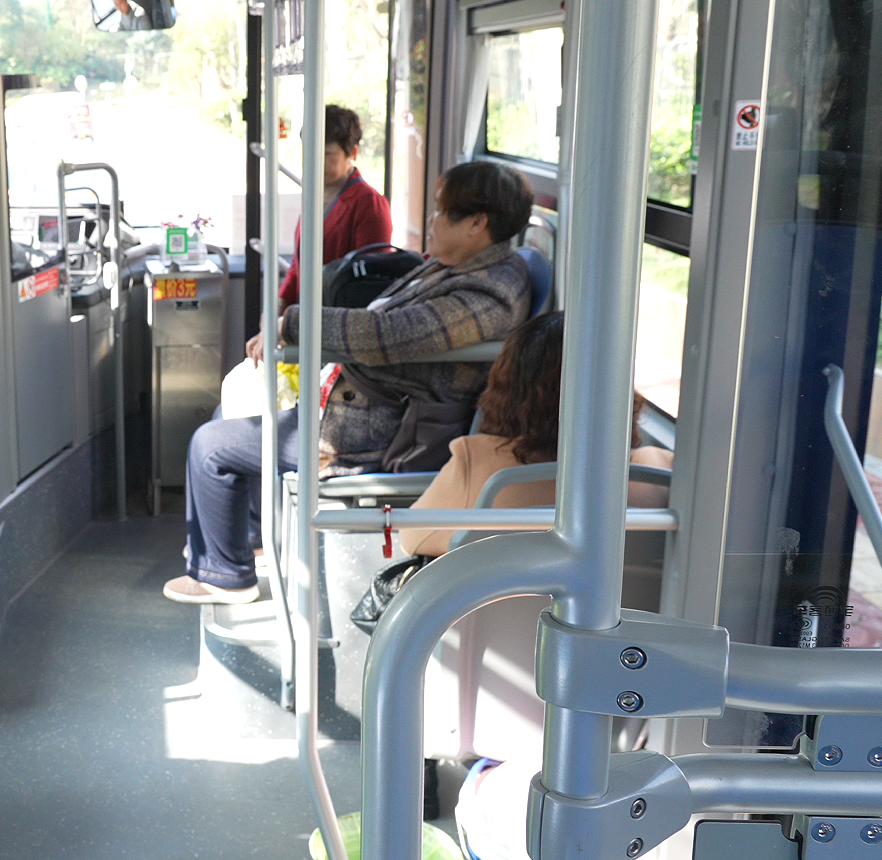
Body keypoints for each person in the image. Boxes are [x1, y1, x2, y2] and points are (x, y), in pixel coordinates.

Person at [164, 160, 534, 604]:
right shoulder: (459, 269)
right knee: (227, 414)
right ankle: (249, 542)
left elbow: (388, 334)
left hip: (382, 432)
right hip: (364, 406)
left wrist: (292, 324)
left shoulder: (487, 294)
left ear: (477, 223)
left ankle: (223, 577)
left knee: (210, 446)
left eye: (441, 211)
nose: (432, 221)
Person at [399, 311, 674, 557]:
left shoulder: (476, 463)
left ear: (508, 389)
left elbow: (412, 538)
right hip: (629, 602)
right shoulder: (663, 469)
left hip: (504, 601)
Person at [279, 104, 394, 306]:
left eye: (325, 154)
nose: (313, 160)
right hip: (306, 313)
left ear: (353, 153)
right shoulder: (314, 195)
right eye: (308, 150)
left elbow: (370, 284)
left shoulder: (369, 204)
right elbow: (300, 263)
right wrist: (280, 302)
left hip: (337, 317)